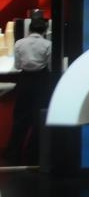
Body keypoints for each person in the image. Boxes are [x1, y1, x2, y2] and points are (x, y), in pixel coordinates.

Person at [4, 17, 52, 166]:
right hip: (41, 81)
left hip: (24, 81)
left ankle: (14, 152)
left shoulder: (19, 43)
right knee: (38, 118)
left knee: (20, 117)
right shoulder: (48, 44)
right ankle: (33, 153)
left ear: (29, 29)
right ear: (45, 30)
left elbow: (18, 65)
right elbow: (50, 66)